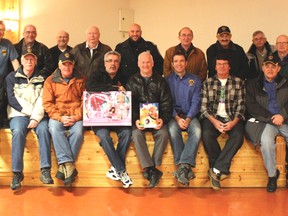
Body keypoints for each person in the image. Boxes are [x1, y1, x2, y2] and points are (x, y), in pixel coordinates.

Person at [5, 49, 53, 190]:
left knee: (44, 130)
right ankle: (17, 173)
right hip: (19, 114)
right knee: (18, 131)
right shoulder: (11, 77)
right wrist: (29, 113)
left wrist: (36, 117)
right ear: (21, 61)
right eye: (26, 59)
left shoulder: (43, 79)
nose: (29, 61)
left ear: (36, 61)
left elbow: (43, 100)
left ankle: (45, 170)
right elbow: (12, 100)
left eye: (32, 59)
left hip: (38, 116)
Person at [126, 51, 172, 188]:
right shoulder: (131, 81)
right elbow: (130, 104)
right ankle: (151, 169)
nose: (145, 65)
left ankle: (152, 167)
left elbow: (167, 103)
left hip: (156, 119)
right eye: (143, 62)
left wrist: (162, 119)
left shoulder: (161, 81)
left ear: (152, 63)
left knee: (164, 133)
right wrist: (135, 120)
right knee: (135, 134)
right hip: (139, 120)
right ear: (138, 64)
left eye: (148, 62)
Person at [86, 51, 132, 188]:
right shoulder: (96, 75)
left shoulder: (124, 76)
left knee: (127, 133)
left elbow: (129, 94)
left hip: (118, 118)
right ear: (105, 63)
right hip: (99, 119)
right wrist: (115, 88)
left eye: (116, 61)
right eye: (110, 61)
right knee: (104, 137)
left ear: (119, 63)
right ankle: (121, 170)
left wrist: (124, 91)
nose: (113, 64)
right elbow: (90, 88)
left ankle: (114, 169)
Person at [200, 53, 245, 190]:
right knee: (207, 134)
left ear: (229, 66)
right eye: (219, 64)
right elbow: (203, 107)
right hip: (214, 117)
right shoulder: (208, 83)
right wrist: (214, 122)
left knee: (238, 137)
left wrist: (233, 123)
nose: (222, 67)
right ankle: (219, 169)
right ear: (215, 66)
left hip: (232, 118)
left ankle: (215, 169)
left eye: (225, 64)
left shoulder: (238, 82)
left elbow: (241, 106)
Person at [245, 55, 288, 192]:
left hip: (284, 120)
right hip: (267, 122)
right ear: (262, 68)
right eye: (267, 66)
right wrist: (271, 118)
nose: (270, 69)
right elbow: (251, 107)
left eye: (273, 66)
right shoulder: (253, 84)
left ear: (278, 68)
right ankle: (272, 176)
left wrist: (282, 115)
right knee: (267, 142)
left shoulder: (286, 82)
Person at [42, 51, 85, 185]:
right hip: (58, 114)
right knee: (54, 128)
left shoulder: (82, 79)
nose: (66, 67)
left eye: (69, 64)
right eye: (64, 64)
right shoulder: (50, 80)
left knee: (78, 132)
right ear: (59, 65)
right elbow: (47, 104)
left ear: (73, 66)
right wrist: (60, 118)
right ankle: (69, 165)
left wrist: (76, 116)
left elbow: (86, 101)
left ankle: (64, 165)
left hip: (76, 115)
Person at [166, 52, 202, 186]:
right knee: (172, 130)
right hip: (174, 117)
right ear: (172, 64)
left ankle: (182, 167)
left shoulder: (195, 80)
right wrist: (176, 117)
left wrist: (188, 118)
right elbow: (167, 102)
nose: (179, 64)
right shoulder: (167, 80)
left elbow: (196, 102)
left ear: (186, 63)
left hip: (190, 116)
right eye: (176, 61)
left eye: (182, 61)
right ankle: (185, 168)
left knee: (197, 130)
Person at [0, 20, 20, 128]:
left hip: (2, 82)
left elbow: (15, 62)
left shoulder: (7, 44)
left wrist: (21, 78)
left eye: (2, 30)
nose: (1, 32)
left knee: (2, 104)